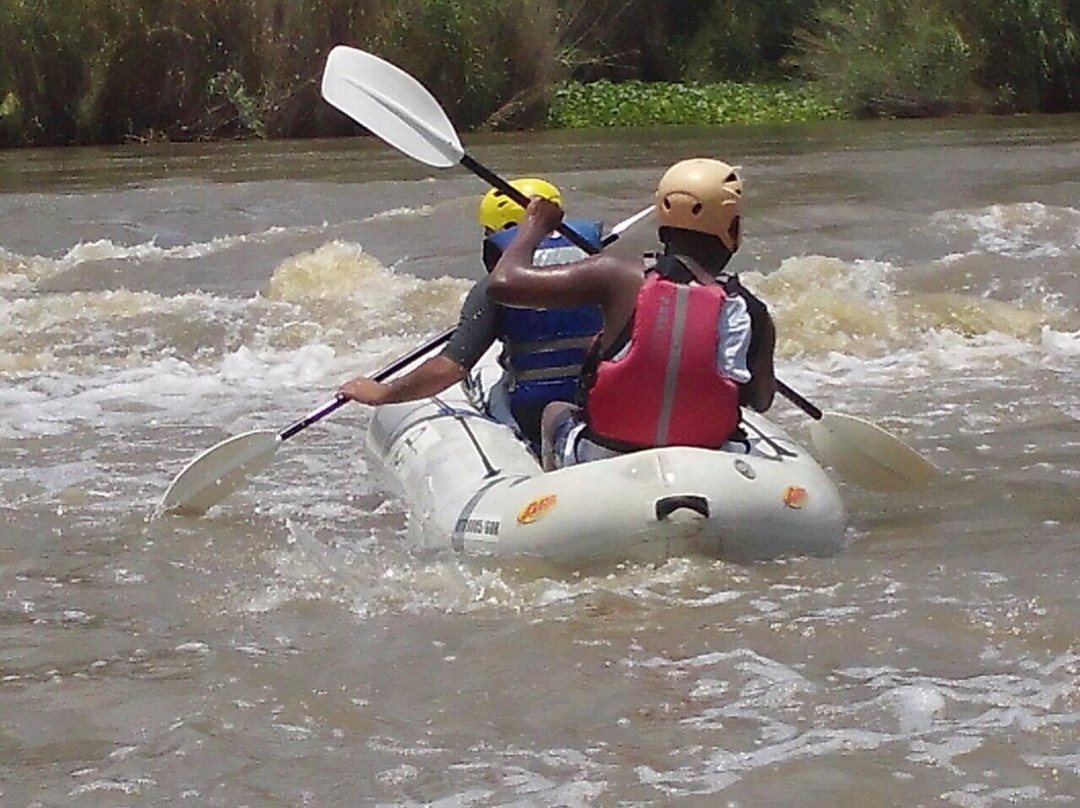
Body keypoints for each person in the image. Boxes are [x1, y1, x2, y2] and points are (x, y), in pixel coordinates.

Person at [486, 158, 777, 470]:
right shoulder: (750, 309)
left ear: (662, 223)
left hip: (608, 456)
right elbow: (760, 400)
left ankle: (553, 485)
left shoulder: (617, 275)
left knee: (554, 411)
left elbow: (503, 282)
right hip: (710, 460)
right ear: (733, 228)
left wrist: (535, 225)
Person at [338, 178, 604, 452]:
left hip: (531, 416)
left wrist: (382, 393)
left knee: (491, 389)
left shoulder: (495, 288)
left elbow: (447, 370)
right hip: (597, 408)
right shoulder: (609, 272)